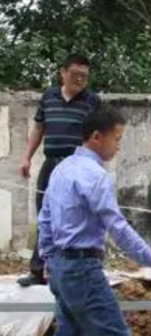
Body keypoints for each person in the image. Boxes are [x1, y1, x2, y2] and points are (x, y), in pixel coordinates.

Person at [35, 106, 151, 336]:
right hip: (82, 271)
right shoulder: (96, 176)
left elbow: (45, 221)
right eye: (117, 138)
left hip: (61, 269)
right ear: (97, 137)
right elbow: (118, 228)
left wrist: (49, 261)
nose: (119, 145)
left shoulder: (61, 169)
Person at [18, 53, 102, 287]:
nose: (79, 80)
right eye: (75, 75)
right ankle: (38, 270)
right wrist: (26, 157)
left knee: (76, 218)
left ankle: (72, 271)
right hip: (51, 165)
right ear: (63, 72)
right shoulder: (49, 96)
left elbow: (98, 136)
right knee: (45, 216)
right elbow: (38, 129)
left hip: (77, 169)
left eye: (84, 76)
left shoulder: (92, 101)